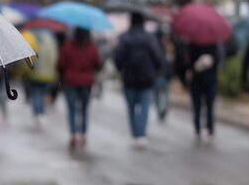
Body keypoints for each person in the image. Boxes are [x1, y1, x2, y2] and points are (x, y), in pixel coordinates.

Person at [113, 13, 164, 147]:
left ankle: (135, 133)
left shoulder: (124, 37)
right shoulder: (150, 38)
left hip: (129, 79)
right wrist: (156, 70)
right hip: (147, 79)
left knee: (131, 108)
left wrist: (121, 70)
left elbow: (118, 59)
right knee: (144, 107)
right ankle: (141, 134)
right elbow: (158, 57)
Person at [57, 28, 103, 150]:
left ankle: (73, 134)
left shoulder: (68, 46)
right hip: (86, 82)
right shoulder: (92, 47)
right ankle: (83, 135)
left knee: (72, 109)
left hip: (71, 81)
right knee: (83, 109)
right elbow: (98, 64)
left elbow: (60, 64)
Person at [179, 42, 221, 141]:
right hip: (208, 81)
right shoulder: (213, 45)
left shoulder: (193, 45)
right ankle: (209, 128)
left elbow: (187, 64)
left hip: (198, 81)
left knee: (199, 106)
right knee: (208, 105)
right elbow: (218, 62)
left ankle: (199, 128)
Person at [21, 29, 58, 126]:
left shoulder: (32, 41)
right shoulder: (51, 41)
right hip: (47, 74)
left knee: (36, 94)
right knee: (42, 93)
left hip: (35, 74)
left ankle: (37, 113)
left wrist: (26, 71)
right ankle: (42, 113)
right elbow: (54, 58)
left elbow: (30, 59)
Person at [154, 31, 174, 123]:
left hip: (166, 76)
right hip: (159, 75)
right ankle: (160, 110)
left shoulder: (171, 48)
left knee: (165, 95)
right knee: (158, 94)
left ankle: (164, 110)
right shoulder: (158, 48)